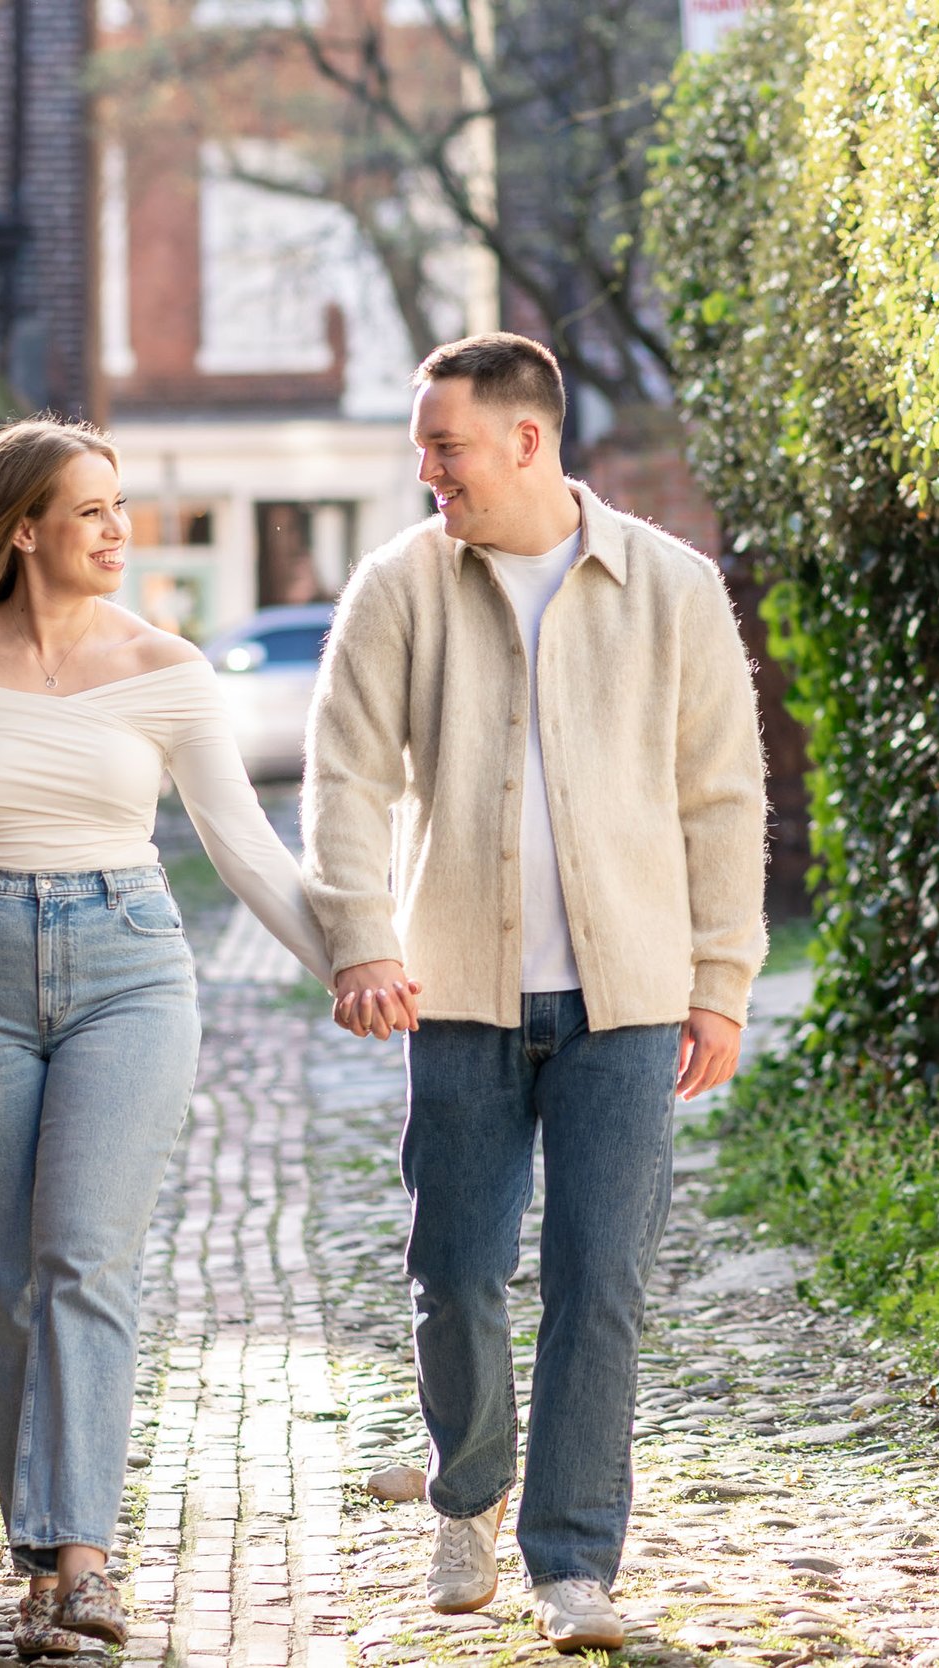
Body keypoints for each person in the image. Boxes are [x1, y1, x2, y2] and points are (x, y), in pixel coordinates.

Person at [0, 417, 368, 1658]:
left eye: (122, 508)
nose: (121, 532)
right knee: (7, 1285)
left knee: (83, 1262)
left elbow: (242, 846)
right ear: (25, 528)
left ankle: (82, 1564)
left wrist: (353, 966)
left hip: (128, 968)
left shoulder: (168, 665)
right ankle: (44, 1551)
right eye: (93, 510)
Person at [304, 333, 768, 1651]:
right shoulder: (402, 586)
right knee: (452, 1267)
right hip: (451, 990)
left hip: (627, 997)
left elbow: (722, 798)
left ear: (526, 438)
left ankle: (574, 1564)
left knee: (599, 1278)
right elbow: (343, 779)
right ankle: (469, 1490)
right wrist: (360, 938)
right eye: (419, 450)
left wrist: (721, 981)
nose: (427, 472)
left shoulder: (668, 588)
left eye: (443, 446)